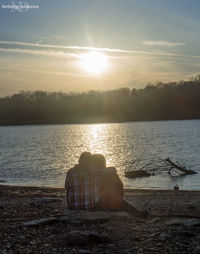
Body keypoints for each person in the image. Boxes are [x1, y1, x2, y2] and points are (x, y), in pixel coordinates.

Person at [93, 154, 149, 218]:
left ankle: (139, 214)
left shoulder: (91, 174)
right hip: (111, 203)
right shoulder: (112, 174)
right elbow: (121, 191)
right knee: (123, 203)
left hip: (100, 204)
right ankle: (139, 214)